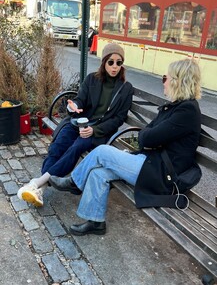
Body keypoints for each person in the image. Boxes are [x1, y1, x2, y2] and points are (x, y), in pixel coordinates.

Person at [48, 58, 202, 236]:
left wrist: (147, 136)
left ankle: (74, 182)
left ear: (178, 81)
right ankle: (96, 222)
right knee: (99, 173)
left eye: (165, 78)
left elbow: (147, 138)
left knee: (102, 152)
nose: (164, 82)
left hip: (161, 175)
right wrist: (147, 136)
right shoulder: (177, 107)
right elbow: (148, 134)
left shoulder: (186, 111)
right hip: (150, 163)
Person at [17, 43, 134, 207]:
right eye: (111, 62)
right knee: (59, 145)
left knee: (76, 147)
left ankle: (37, 183)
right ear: (104, 62)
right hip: (79, 123)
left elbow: (119, 118)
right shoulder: (92, 79)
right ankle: (41, 190)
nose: (115, 66)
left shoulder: (126, 89)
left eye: (119, 62)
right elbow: (81, 99)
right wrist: (75, 106)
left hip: (98, 131)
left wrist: (95, 129)